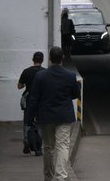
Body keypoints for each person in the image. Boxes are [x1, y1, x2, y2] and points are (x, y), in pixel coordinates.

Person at [26, 46, 80, 181]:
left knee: (48, 147)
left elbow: (34, 98)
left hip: (46, 116)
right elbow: (75, 94)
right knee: (63, 145)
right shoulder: (70, 76)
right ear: (62, 58)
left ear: (49, 59)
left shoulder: (40, 76)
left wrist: (29, 117)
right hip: (64, 115)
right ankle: (61, 176)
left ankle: (48, 176)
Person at [18, 51, 46, 156]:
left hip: (28, 99)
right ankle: (38, 146)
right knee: (39, 123)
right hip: (41, 101)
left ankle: (26, 140)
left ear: (32, 59)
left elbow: (19, 86)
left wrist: (27, 84)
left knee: (27, 121)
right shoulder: (45, 72)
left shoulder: (26, 71)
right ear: (42, 60)